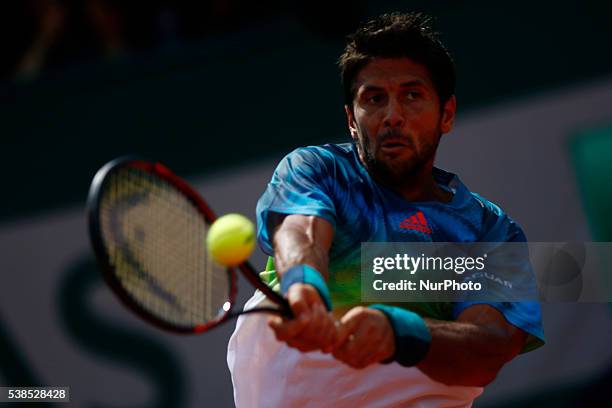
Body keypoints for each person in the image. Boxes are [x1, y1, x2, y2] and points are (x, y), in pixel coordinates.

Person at [227, 12, 544, 407]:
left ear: (446, 114)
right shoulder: (318, 169)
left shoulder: (488, 230)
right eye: (374, 99)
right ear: (351, 120)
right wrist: (304, 285)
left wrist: (399, 332)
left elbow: (487, 352)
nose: (392, 115)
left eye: (412, 95)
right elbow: (302, 230)